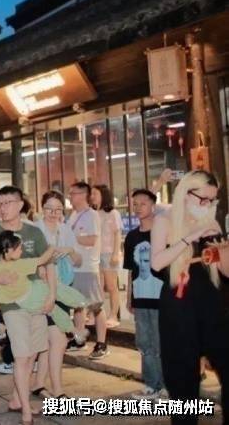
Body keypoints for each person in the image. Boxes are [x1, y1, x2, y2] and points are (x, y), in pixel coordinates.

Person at [151, 171, 228, 425]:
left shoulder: (212, 223)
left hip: (211, 302)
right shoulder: (164, 221)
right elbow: (157, 263)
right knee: (183, 379)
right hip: (179, 306)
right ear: (186, 193)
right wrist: (190, 238)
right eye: (203, 199)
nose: (207, 205)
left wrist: (223, 247)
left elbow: (224, 270)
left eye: (212, 200)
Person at [0, 230, 51, 425]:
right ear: (8, 250)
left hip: (34, 307)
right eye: (18, 248)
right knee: (21, 358)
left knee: (31, 355)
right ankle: (26, 411)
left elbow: (42, 259)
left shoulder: (21, 263)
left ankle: (18, 400)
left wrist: (55, 246)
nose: (21, 250)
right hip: (13, 311)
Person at [0, 186, 50, 376]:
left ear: (20, 205)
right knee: (21, 355)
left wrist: (51, 295)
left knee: (34, 352)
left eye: (7, 203)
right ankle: (23, 394)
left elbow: (48, 262)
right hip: (12, 303)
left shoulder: (34, 232)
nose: (2, 208)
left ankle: (20, 392)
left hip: (36, 300)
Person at [33, 190, 83, 398]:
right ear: (42, 208)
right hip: (42, 291)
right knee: (59, 340)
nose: (53, 213)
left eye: (58, 209)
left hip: (62, 290)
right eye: (49, 209)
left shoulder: (66, 230)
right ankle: (58, 391)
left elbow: (78, 261)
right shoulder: (35, 230)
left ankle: (38, 384)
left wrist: (70, 251)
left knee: (49, 341)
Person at [123, 189, 165, 400]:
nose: (138, 207)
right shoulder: (131, 236)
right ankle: (151, 385)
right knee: (144, 343)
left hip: (162, 298)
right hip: (140, 298)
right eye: (135, 204)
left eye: (143, 203)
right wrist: (129, 297)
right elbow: (131, 269)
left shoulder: (163, 232)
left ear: (153, 206)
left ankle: (166, 385)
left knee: (161, 342)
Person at [66, 182, 109, 360]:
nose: (70, 196)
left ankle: (102, 343)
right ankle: (79, 339)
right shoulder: (73, 215)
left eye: (73, 193)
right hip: (73, 268)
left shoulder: (91, 215)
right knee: (78, 305)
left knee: (95, 306)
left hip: (87, 268)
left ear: (84, 194)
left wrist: (71, 238)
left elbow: (92, 240)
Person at [91, 185, 123, 327]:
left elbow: (117, 234)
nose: (92, 196)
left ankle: (113, 315)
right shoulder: (93, 213)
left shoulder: (113, 213)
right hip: (95, 255)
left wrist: (116, 253)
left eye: (95, 194)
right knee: (97, 287)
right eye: (92, 194)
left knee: (111, 286)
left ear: (103, 195)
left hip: (109, 253)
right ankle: (97, 315)